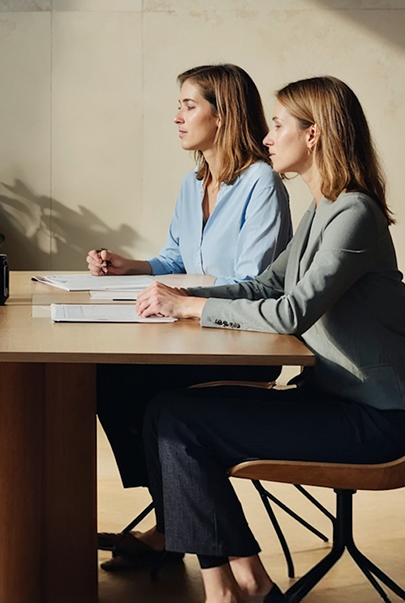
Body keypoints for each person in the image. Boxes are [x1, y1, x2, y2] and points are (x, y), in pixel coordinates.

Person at [135, 76, 405, 603]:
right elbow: (266, 284)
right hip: (330, 401)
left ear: (314, 135)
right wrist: (177, 293)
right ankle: (243, 585)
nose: (266, 137)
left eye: (278, 124)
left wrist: (193, 306)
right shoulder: (323, 209)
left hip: (377, 422)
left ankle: (234, 590)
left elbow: (291, 312)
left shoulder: (356, 214)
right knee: (165, 411)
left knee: (182, 420)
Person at [88, 64, 292, 569]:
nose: (177, 117)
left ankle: (171, 530)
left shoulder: (262, 184)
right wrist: (128, 268)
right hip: (193, 334)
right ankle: (171, 520)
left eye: (189, 105)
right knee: (108, 376)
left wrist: (180, 299)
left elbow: (255, 280)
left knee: (137, 387)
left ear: (221, 116)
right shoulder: (192, 183)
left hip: (244, 346)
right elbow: (178, 259)